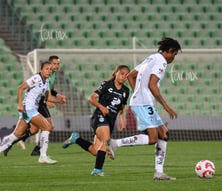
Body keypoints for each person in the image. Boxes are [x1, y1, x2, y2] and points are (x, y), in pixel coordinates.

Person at [108, 37, 182, 181]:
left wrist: (138, 92)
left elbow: (130, 76)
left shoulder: (151, 58)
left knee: (164, 134)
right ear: (169, 52)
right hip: (143, 103)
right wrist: (166, 107)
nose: (174, 57)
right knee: (153, 138)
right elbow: (152, 85)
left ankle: (159, 173)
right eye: (174, 54)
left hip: (142, 102)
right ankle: (115, 143)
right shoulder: (161, 61)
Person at [0, 61, 66, 167]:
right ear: (41, 70)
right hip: (29, 108)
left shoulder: (47, 81)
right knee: (47, 127)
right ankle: (43, 156)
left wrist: (59, 100)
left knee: (17, 134)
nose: (49, 71)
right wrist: (19, 104)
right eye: (46, 69)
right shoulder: (36, 78)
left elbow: (48, 98)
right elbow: (20, 88)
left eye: (50, 69)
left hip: (30, 109)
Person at [61, 65, 130, 176]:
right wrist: (101, 107)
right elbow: (91, 98)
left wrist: (122, 119)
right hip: (99, 117)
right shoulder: (107, 85)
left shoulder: (126, 91)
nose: (123, 77)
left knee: (95, 151)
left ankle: (76, 139)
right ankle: (97, 170)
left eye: (126, 76)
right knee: (105, 140)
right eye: (121, 73)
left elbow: (121, 107)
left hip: (110, 121)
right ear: (116, 73)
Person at [3, 56, 64, 157]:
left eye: (58, 64)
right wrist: (48, 100)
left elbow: (51, 90)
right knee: (49, 126)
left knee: (34, 130)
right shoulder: (39, 77)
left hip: (42, 102)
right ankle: (38, 150)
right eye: (54, 64)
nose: (56, 66)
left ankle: (12, 143)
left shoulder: (52, 75)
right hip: (38, 103)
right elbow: (38, 90)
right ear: (49, 64)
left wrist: (57, 96)